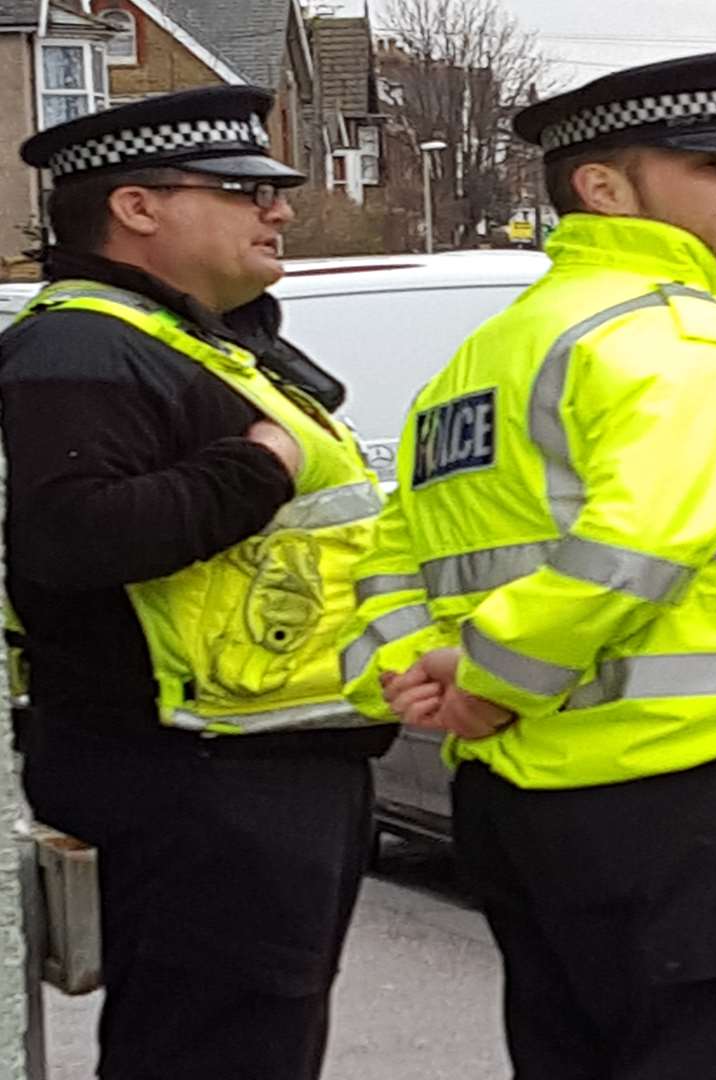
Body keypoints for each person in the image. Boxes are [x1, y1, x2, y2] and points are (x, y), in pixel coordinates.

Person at [337, 51, 716, 1079]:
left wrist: (431, 674)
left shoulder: (485, 358)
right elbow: (640, 538)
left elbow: (390, 558)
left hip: (529, 816)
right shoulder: (690, 335)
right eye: (712, 164)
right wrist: (488, 677)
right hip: (694, 812)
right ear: (603, 188)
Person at [0, 86, 393, 1079]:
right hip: (196, 783)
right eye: (242, 191)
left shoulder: (188, 340)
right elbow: (70, 537)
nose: (280, 211)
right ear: (136, 207)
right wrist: (255, 468)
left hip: (259, 770)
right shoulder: (78, 346)